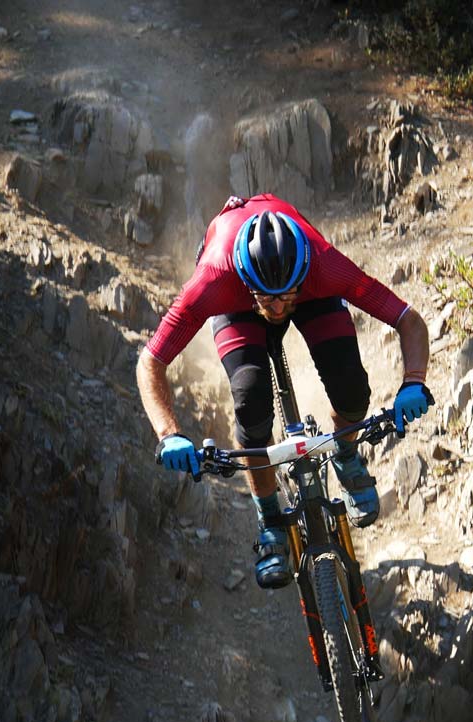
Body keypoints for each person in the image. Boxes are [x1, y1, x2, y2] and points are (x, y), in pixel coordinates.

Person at [136, 193, 433, 589]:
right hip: (239, 302)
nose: (278, 311)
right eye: (269, 300)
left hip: (310, 292)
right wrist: (168, 434)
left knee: (351, 388)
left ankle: (345, 455)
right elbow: (151, 361)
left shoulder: (323, 264)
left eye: (284, 299)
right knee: (251, 401)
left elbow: (408, 320)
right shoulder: (214, 277)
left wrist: (414, 381)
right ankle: (270, 520)